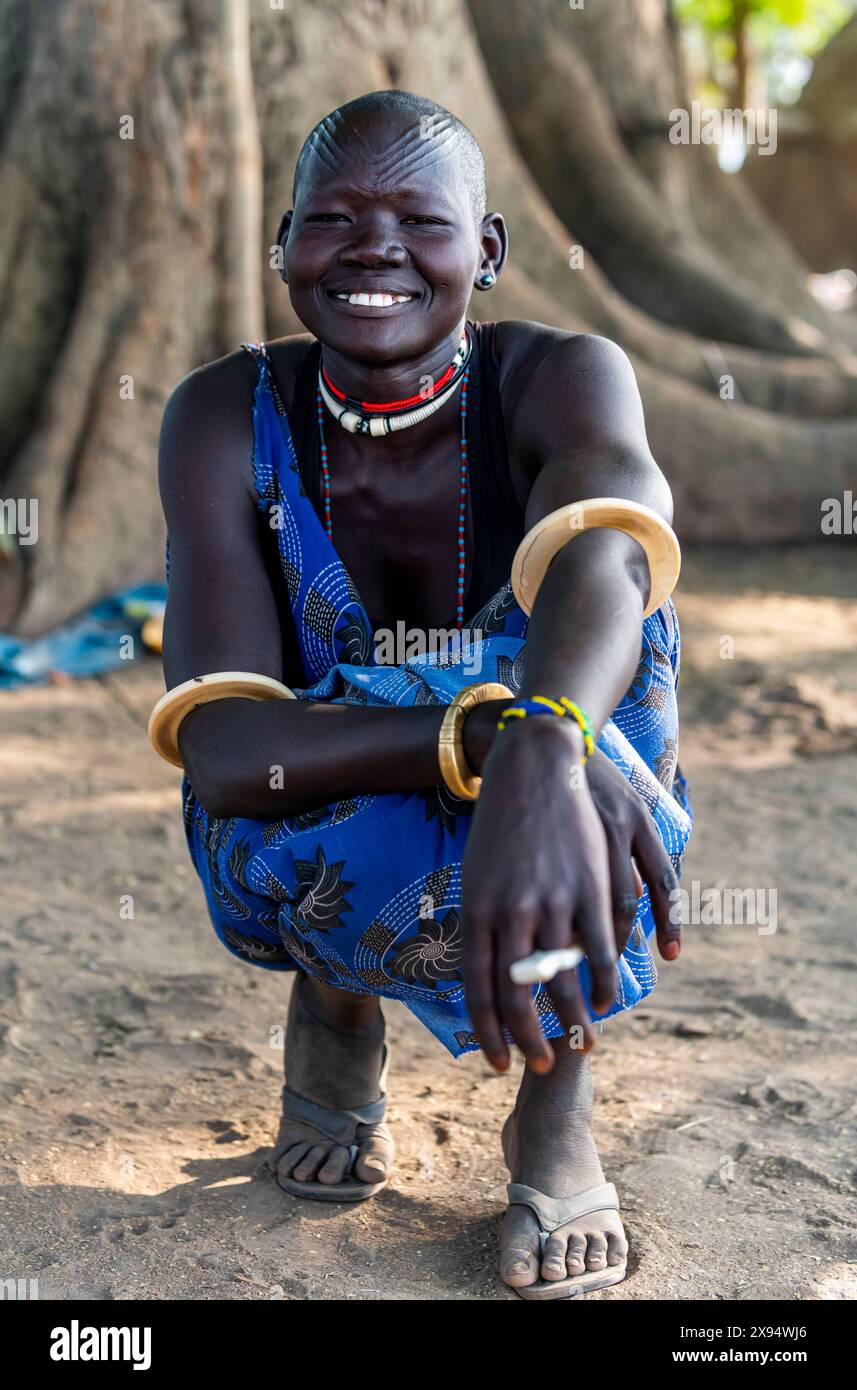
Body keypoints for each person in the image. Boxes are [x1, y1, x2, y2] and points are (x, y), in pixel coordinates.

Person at [153, 89, 692, 1299]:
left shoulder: (560, 376)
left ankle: (557, 1093)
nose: (374, 247)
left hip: (542, 773)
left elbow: (613, 552)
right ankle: (337, 1002)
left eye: (417, 217)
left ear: (486, 251)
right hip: (328, 779)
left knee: (616, 658)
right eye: (334, 217)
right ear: (283, 243)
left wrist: (547, 743)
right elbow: (232, 750)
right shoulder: (219, 417)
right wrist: (490, 734)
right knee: (501, 760)